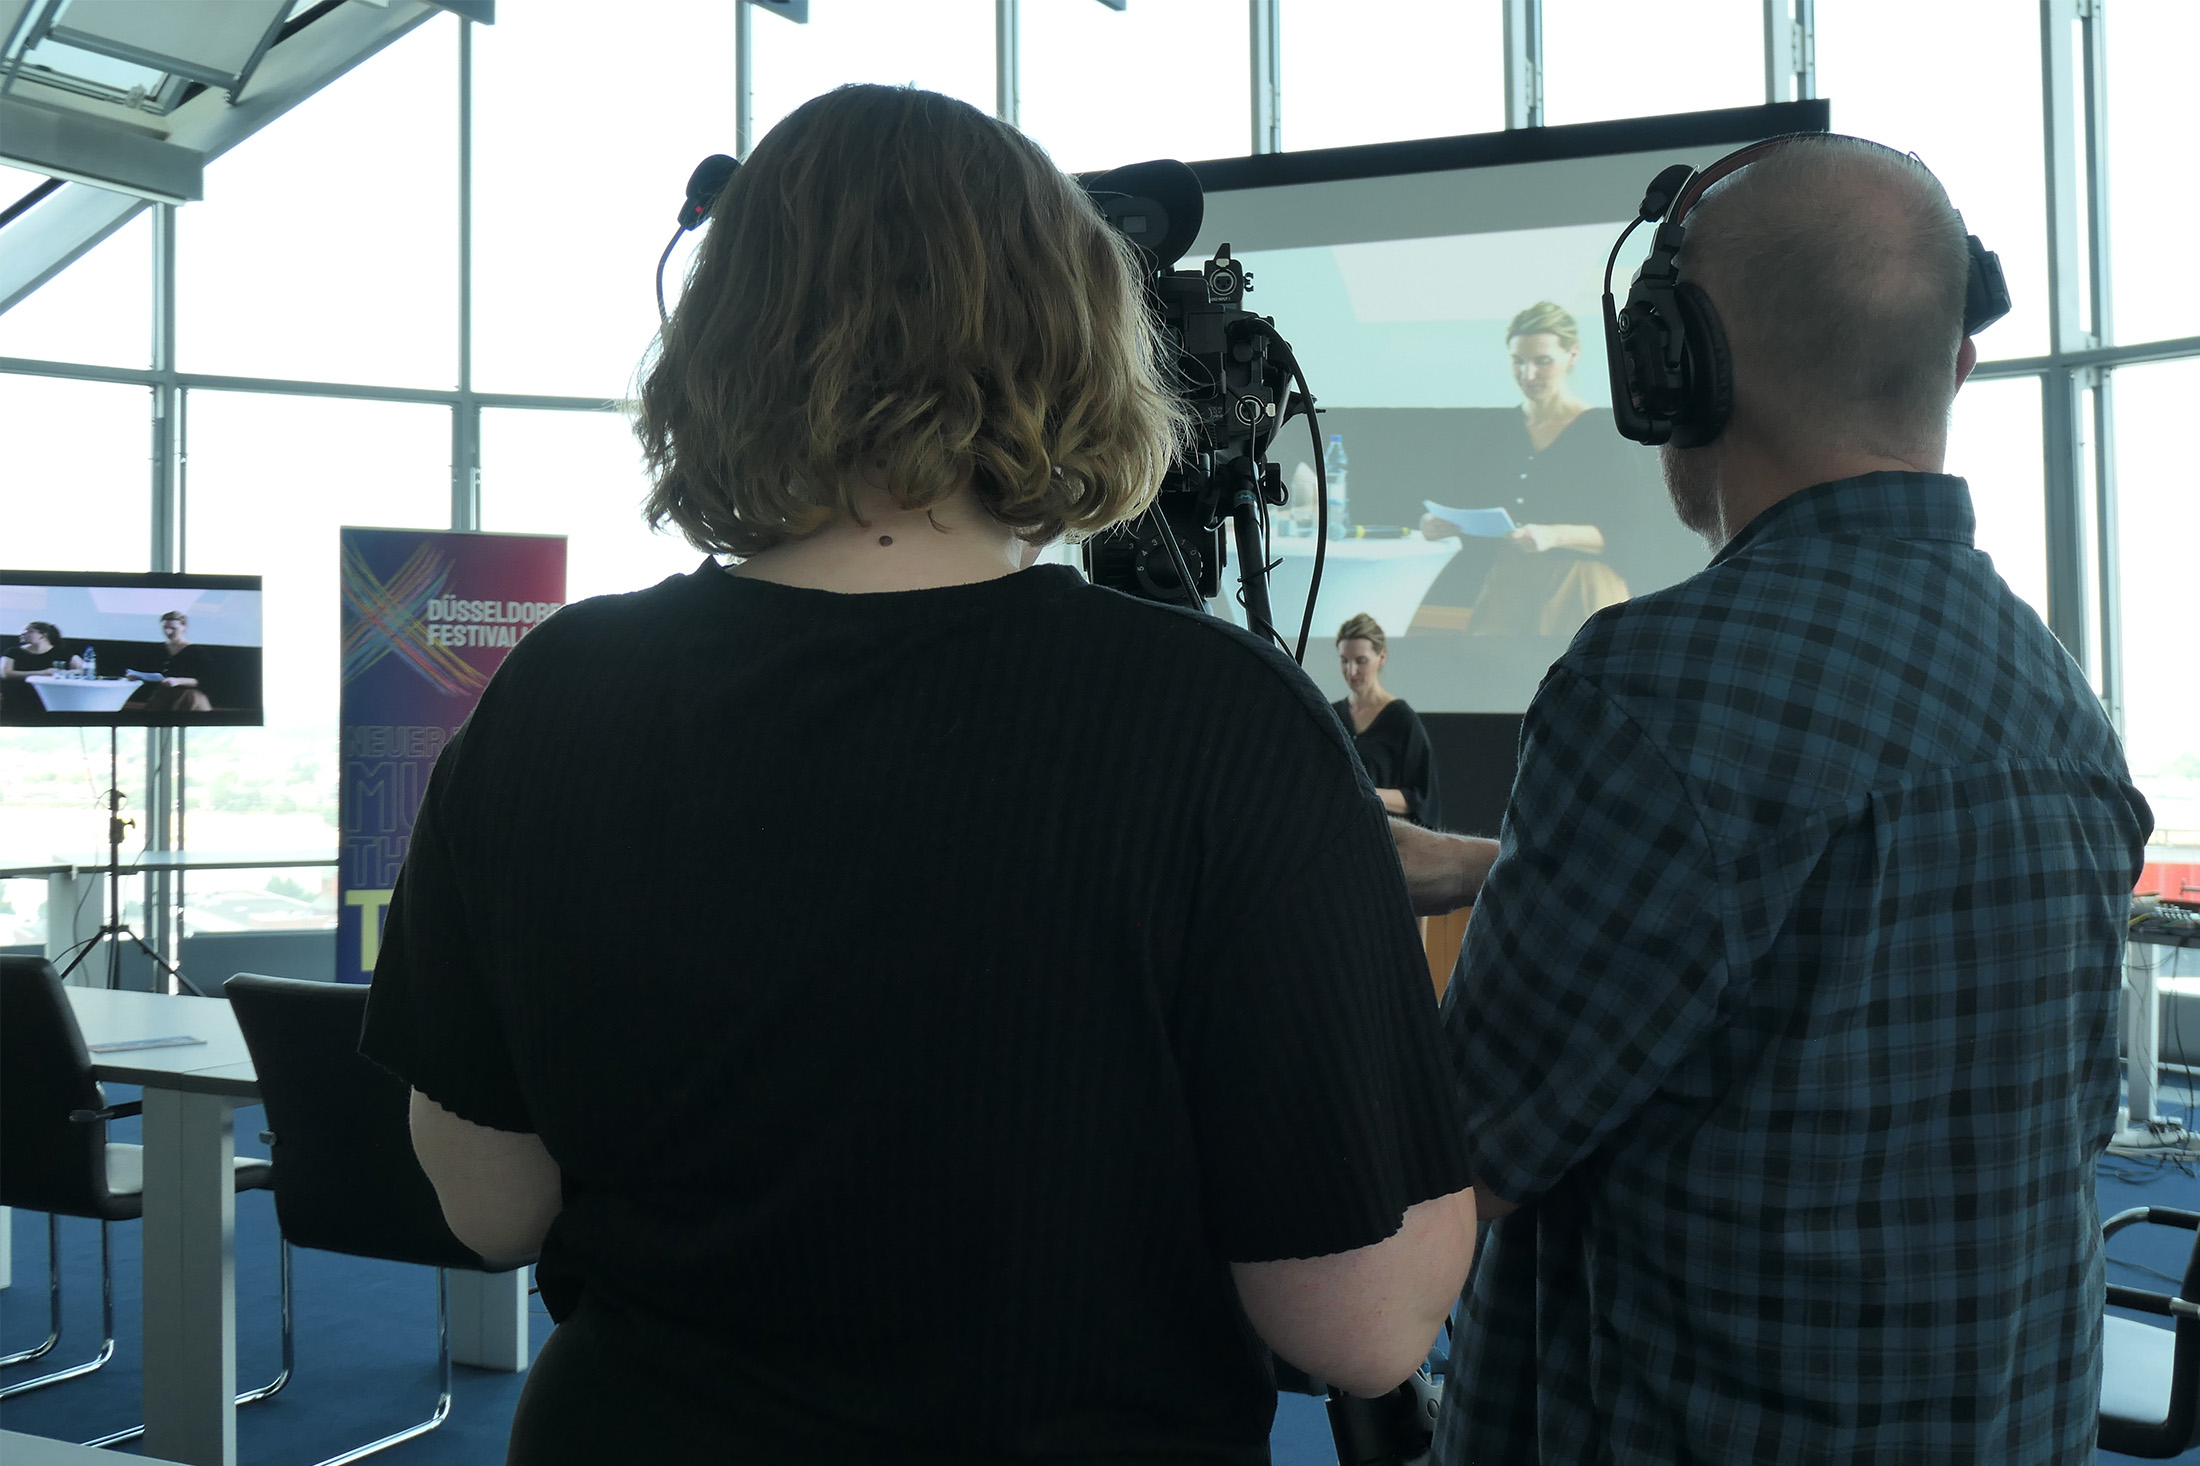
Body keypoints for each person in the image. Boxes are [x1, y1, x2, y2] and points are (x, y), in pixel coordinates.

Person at [360, 84, 1476, 1465]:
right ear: (1076, 333)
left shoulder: (554, 692)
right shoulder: (1222, 721)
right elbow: (1360, 1324)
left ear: (719, 336)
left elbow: (488, 1204)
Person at [1404, 136, 2154, 1463]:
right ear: (1959, 366)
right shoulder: (2062, 708)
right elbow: (1801, 924)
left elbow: (1453, 1158)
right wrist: (1491, 862)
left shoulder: (1655, 694)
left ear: (1670, 374)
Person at [1418, 302, 1700, 636]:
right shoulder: (1496, 430)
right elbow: (1461, 499)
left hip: (1581, 586)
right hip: (1507, 584)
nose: (1528, 374)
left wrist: (1553, 535)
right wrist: (1438, 524)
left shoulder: (1604, 431)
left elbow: (1633, 531)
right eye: (1518, 362)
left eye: (1542, 361)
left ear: (1573, 355)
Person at [1332, 612, 1442, 828]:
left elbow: (1422, 799)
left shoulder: (1401, 719)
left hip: (1386, 836)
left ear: (1381, 657)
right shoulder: (1331, 715)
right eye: (1344, 661)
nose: (1351, 670)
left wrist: (1364, 792)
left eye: (1360, 661)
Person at [130, 611, 212, 712]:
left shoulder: (196, 651)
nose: (168, 632)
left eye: (173, 628)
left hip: (188, 698)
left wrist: (178, 681)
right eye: (165, 628)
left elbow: (207, 680)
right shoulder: (156, 649)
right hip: (161, 697)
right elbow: (143, 669)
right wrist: (136, 676)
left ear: (184, 627)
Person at [1, 621, 81, 721]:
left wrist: (61, 673)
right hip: (16, 696)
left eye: (28, 631)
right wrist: (42, 673)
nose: (22, 634)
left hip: (47, 697)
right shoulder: (13, 652)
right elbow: (6, 673)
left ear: (43, 635)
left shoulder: (61, 653)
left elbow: (81, 670)